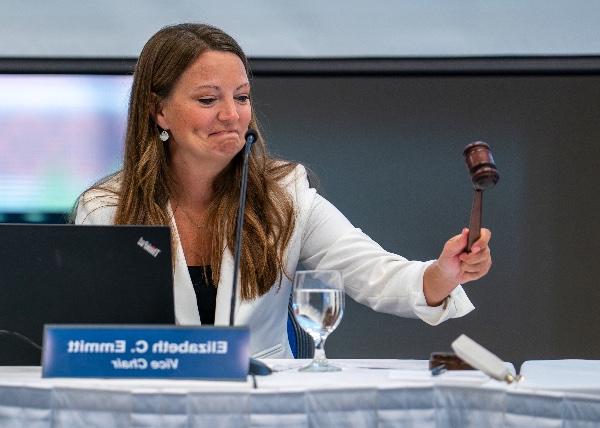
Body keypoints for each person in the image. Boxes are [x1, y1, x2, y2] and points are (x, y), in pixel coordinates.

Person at [74, 23, 492, 359]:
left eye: (241, 97)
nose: (230, 115)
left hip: (265, 406)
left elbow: (377, 275)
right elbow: (83, 338)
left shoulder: (283, 193)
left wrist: (444, 273)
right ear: (158, 110)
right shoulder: (105, 209)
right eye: (207, 99)